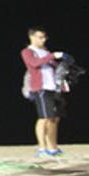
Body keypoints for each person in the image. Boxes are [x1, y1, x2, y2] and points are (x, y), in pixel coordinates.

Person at [21, 28, 65, 158]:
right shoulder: (27, 51)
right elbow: (34, 64)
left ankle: (53, 148)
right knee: (43, 118)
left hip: (53, 88)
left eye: (44, 37)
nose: (43, 39)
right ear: (32, 37)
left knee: (54, 119)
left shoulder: (45, 51)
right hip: (40, 88)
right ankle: (42, 149)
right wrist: (52, 56)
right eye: (40, 37)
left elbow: (53, 67)